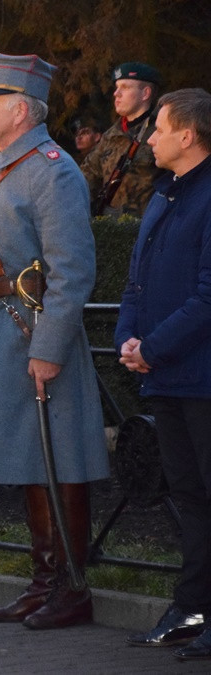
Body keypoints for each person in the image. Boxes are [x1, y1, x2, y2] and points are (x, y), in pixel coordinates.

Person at [0, 48, 110, 630]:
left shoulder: (53, 168)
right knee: (29, 458)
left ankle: (71, 588)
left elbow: (72, 271)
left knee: (57, 455)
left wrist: (48, 348)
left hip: (31, 330)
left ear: (20, 110)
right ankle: (44, 581)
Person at [115, 88, 211, 661]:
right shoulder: (164, 197)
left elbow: (208, 296)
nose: (147, 137)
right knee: (189, 497)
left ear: (189, 136)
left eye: (158, 128)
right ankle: (192, 607)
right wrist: (129, 341)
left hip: (201, 378)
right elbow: (136, 281)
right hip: (166, 377)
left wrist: (153, 346)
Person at [81, 62, 163, 217]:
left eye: (125, 87)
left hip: (146, 229)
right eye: (117, 87)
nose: (116, 93)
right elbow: (87, 176)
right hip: (109, 228)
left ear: (145, 93)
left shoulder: (162, 132)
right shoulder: (110, 135)